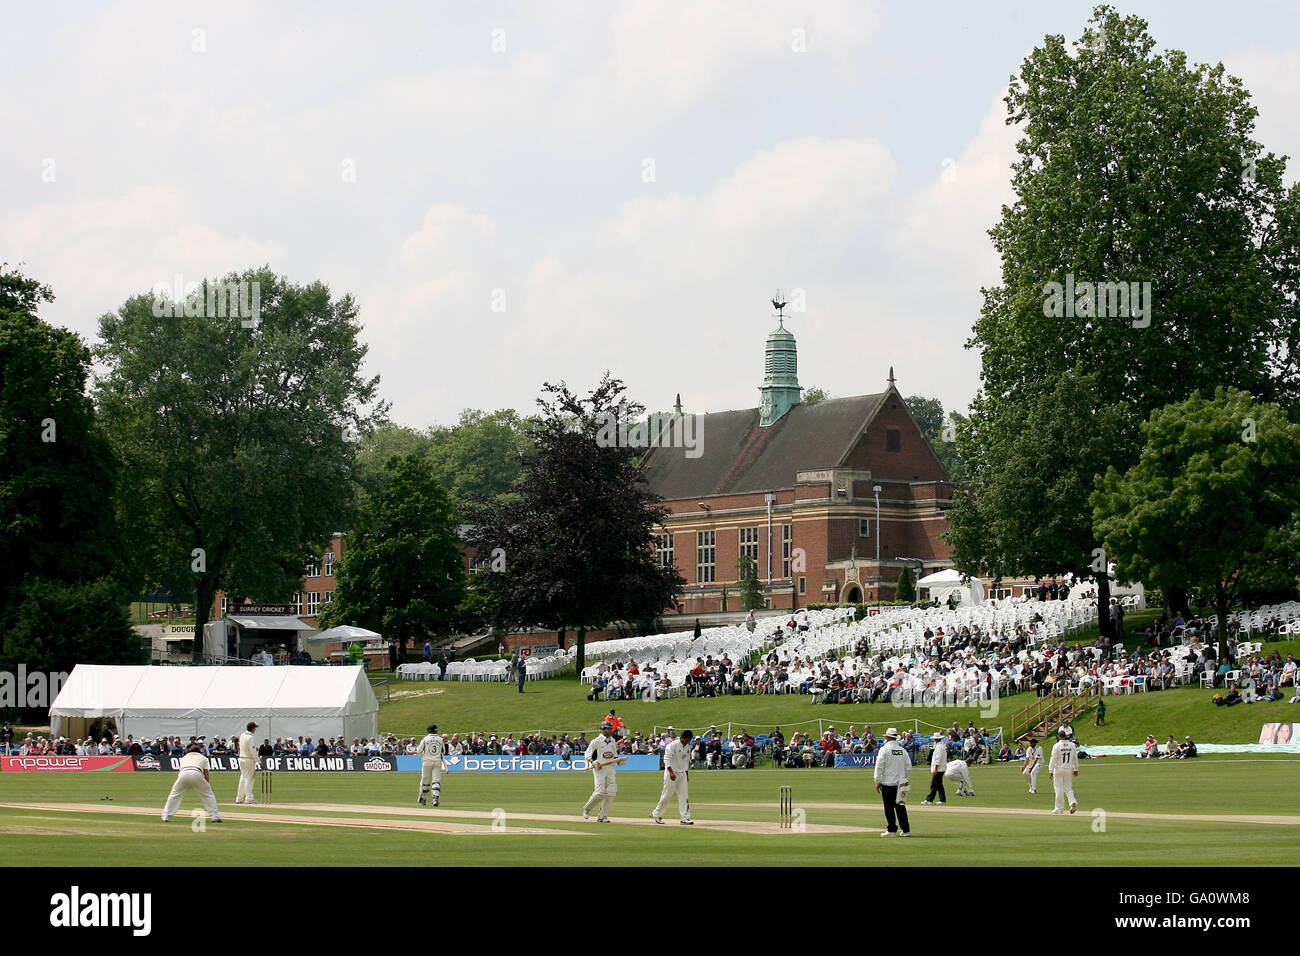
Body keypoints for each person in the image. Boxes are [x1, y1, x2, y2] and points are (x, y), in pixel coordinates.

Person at [161, 743, 223, 823]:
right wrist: (207, 784)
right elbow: (206, 772)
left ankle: (165, 816)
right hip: (196, 773)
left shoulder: (184, 757)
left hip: (183, 774)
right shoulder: (203, 758)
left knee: (174, 795)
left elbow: (180, 771)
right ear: (199, 751)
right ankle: (215, 817)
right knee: (208, 795)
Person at [873, 727, 911, 837]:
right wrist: (905, 779)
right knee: (901, 807)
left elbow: (879, 766)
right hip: (900, 784)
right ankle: (906, 830)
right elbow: (908, 768)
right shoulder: (902, 751)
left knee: (889, 807)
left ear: (888, 737)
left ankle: (891, 830)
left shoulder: (884, 749)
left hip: (888, 783)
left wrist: (878, 781)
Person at [582, 721, 623, 822]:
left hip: (610, 768)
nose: (610, 730)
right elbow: (587, 755)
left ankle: (602, 816)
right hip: (600, 769)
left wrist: (618, 761)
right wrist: (593, 762)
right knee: (600, 792)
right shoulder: (596, 741)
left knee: (612, 792)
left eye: (611, 729)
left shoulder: (613, 740)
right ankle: (587, 809)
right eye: (608, 729)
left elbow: (614, 755)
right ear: (603, 729)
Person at [651, 729, 694, 825]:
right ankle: (656, 814)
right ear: (682, 738)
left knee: (684, 796)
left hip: (682, 773)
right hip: (672, 772)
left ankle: (685, 818)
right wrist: (671, 772)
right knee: (667, 795)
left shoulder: (687, 747)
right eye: (687, 740)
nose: (688, 742)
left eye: (690, 740)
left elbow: (686, 761)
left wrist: (686, 774)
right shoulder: (672, 745)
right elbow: (667, 759)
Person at [1048, 728, 1079, 814]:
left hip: (1058, 769)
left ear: (1058, 737)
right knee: (1068, 787)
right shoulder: (1072, 745)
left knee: (1058, 789)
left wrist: (1050, 770)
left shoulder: (1057, 746)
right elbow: (1075, 758)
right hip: (1068, 769)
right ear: (1065, 736)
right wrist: (1076, 769)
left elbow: (1053, 758)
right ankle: (1072, 801)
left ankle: (1059, 809)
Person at [416, 723, 446, 806]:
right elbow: (444, 751)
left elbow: (418, 751)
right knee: (436, 780)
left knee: (425, 780)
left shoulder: (425, 739)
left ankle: (423, 798)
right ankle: (435, 798)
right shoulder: (440, 739)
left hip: (426, 762)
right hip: (437, 762)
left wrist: (425, 753)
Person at [234, 721, 259, 805]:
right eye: (254, 728)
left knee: (243, 778)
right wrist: (258, 761)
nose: (255, 730)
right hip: (248, 759)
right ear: (252, 728)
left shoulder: (242, 735)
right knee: (249, 778)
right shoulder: (250, 737)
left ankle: (239, 798)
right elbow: (252, 751)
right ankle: (249, 798)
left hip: (241, 758)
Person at [921, 732, 947, 805]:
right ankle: (929, 799)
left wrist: (936, 769)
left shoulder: (939, 747)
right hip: (939, 768)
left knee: (938, 785)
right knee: (934, 785)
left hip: (939, 769)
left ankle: (942, 800)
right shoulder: (940, 746)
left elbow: (938, 759)